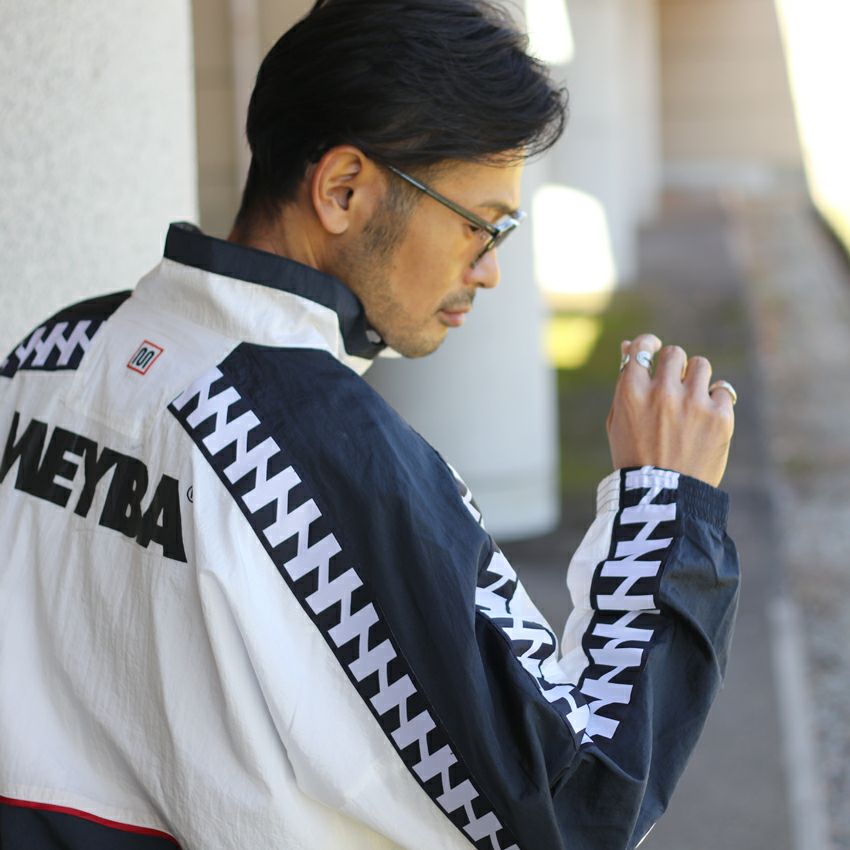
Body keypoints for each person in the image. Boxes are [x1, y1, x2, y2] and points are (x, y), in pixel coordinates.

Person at [0, 1, 739, 848]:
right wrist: (665, 508)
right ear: (343, 190)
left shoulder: (50, 355)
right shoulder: (341, 465)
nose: (490, 271)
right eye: (481, 224)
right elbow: (575, 808)